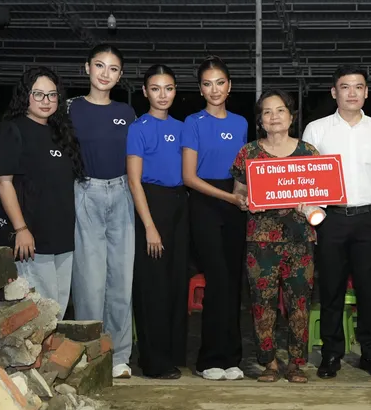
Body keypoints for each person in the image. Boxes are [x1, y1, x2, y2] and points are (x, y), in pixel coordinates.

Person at [302, 65, 371, 379]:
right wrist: (312, 219)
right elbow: (307, 180)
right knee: (330, 289)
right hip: (330, 219)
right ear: (334, 92)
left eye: (359, 87)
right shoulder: (317, 130)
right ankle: (331, 354)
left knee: (369, 291)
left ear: (367, 92)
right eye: (345, 87)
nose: (352, 93)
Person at [230, 90, 318, 384]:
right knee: (262, 302)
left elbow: (321, 195)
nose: (274, 117)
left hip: (299, 240)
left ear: (291, 117)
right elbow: (238, 191)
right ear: (260, 120)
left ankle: (295, 362)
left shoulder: (309, 152)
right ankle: (268, 362)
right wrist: (243, 200)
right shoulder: (249, 153)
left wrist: (313, 206)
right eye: (267, 112)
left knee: (299, 303)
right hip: (261, 241)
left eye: (280, 110)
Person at [66, 44, 137, 380]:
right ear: (87, 68)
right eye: (99, 65)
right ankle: (90, 353)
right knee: (90, 283)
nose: (105, 73)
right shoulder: (70, 109)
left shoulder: (127, 112)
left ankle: (120, 355)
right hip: (86, 192)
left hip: (122, 193)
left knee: (121, 281)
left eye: (113, 68)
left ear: (120, 75)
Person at [0, 67, 84, 318]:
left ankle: (53, 356)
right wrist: (21, 230)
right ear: (26, 96)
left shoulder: (60, 132)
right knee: (39, 311)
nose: (46, 101)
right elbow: (3, 183)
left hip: (63, 237)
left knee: (59, 308)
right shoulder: (13, 131)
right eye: (39, 94)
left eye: (52, 95)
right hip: (32, 240)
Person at [182, 56, 249, 381]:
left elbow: (240, 172)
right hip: (205, 204)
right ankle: (209, 358)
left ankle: (231, 357)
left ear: (229, 86)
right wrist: (230, 198)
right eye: (207, 84)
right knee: (217, 279)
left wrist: (241, 195)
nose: (214, 89)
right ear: (200, 89)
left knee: (233, 281)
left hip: (234, 206)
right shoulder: (192, 122)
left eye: (220, 82)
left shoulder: (240, 123)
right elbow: (189, 177)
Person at [126, 64, 189, 380]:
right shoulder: (138, 128)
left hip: (180, 205)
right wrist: (149, 225)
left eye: (168, 88)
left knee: (177, 283)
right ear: (145, 92)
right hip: (151, 206)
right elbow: (134, 181)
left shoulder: (183, 127)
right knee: (152, 286)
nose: (162, 94)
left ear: (175, 91)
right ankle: (153, 361)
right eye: (155, 88)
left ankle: (173, 354)